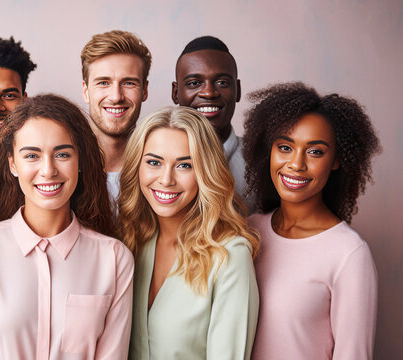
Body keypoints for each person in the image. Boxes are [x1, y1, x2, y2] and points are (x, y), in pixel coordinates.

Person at [0, 94, 134, 359]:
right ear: (13, 164)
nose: (48, 170)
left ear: (79, 160)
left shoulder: (115, 259)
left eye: (62, 154)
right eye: (32, 155)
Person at [243, 82, 380, 360]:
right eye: (284, 147)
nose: (296, 164)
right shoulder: (249, 230)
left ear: (337, 160)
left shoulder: (349, 254)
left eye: (315, 151)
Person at [119, 106, 259, 359]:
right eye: (154, 162)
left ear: (205, 172)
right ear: (136, 167)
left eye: (184, 165)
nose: (166, 179)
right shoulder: (130, 242)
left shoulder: (229, 255)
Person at [172, 36, 254, 211]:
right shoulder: (152, 161)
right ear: (176, 92)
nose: (209, 93)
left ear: (237, 90)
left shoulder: (261, 161)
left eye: (222, 82)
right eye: (194, 83)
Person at [80, 30, 151, 207]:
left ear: (144, 90)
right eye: (103, 83)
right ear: (86, 91)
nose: (116, 96)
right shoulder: (63, 166)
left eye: (128, 83)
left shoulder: (160, 170)